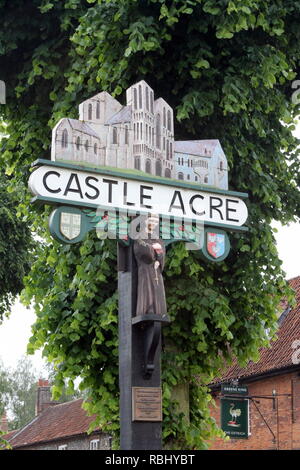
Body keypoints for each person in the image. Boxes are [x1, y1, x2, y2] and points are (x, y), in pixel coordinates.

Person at [133, 215, 167, 317]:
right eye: (151, 220)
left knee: (158, 289)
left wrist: (159, 256)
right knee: (146, 289)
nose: (153, 223)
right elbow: (141, 250)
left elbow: (162, 252)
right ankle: (147, 311)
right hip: (145, 269)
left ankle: (159, 312)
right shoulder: (140, 237)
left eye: (155, 221)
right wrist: (153, 248)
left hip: (156, 270)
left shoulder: (158, 239)